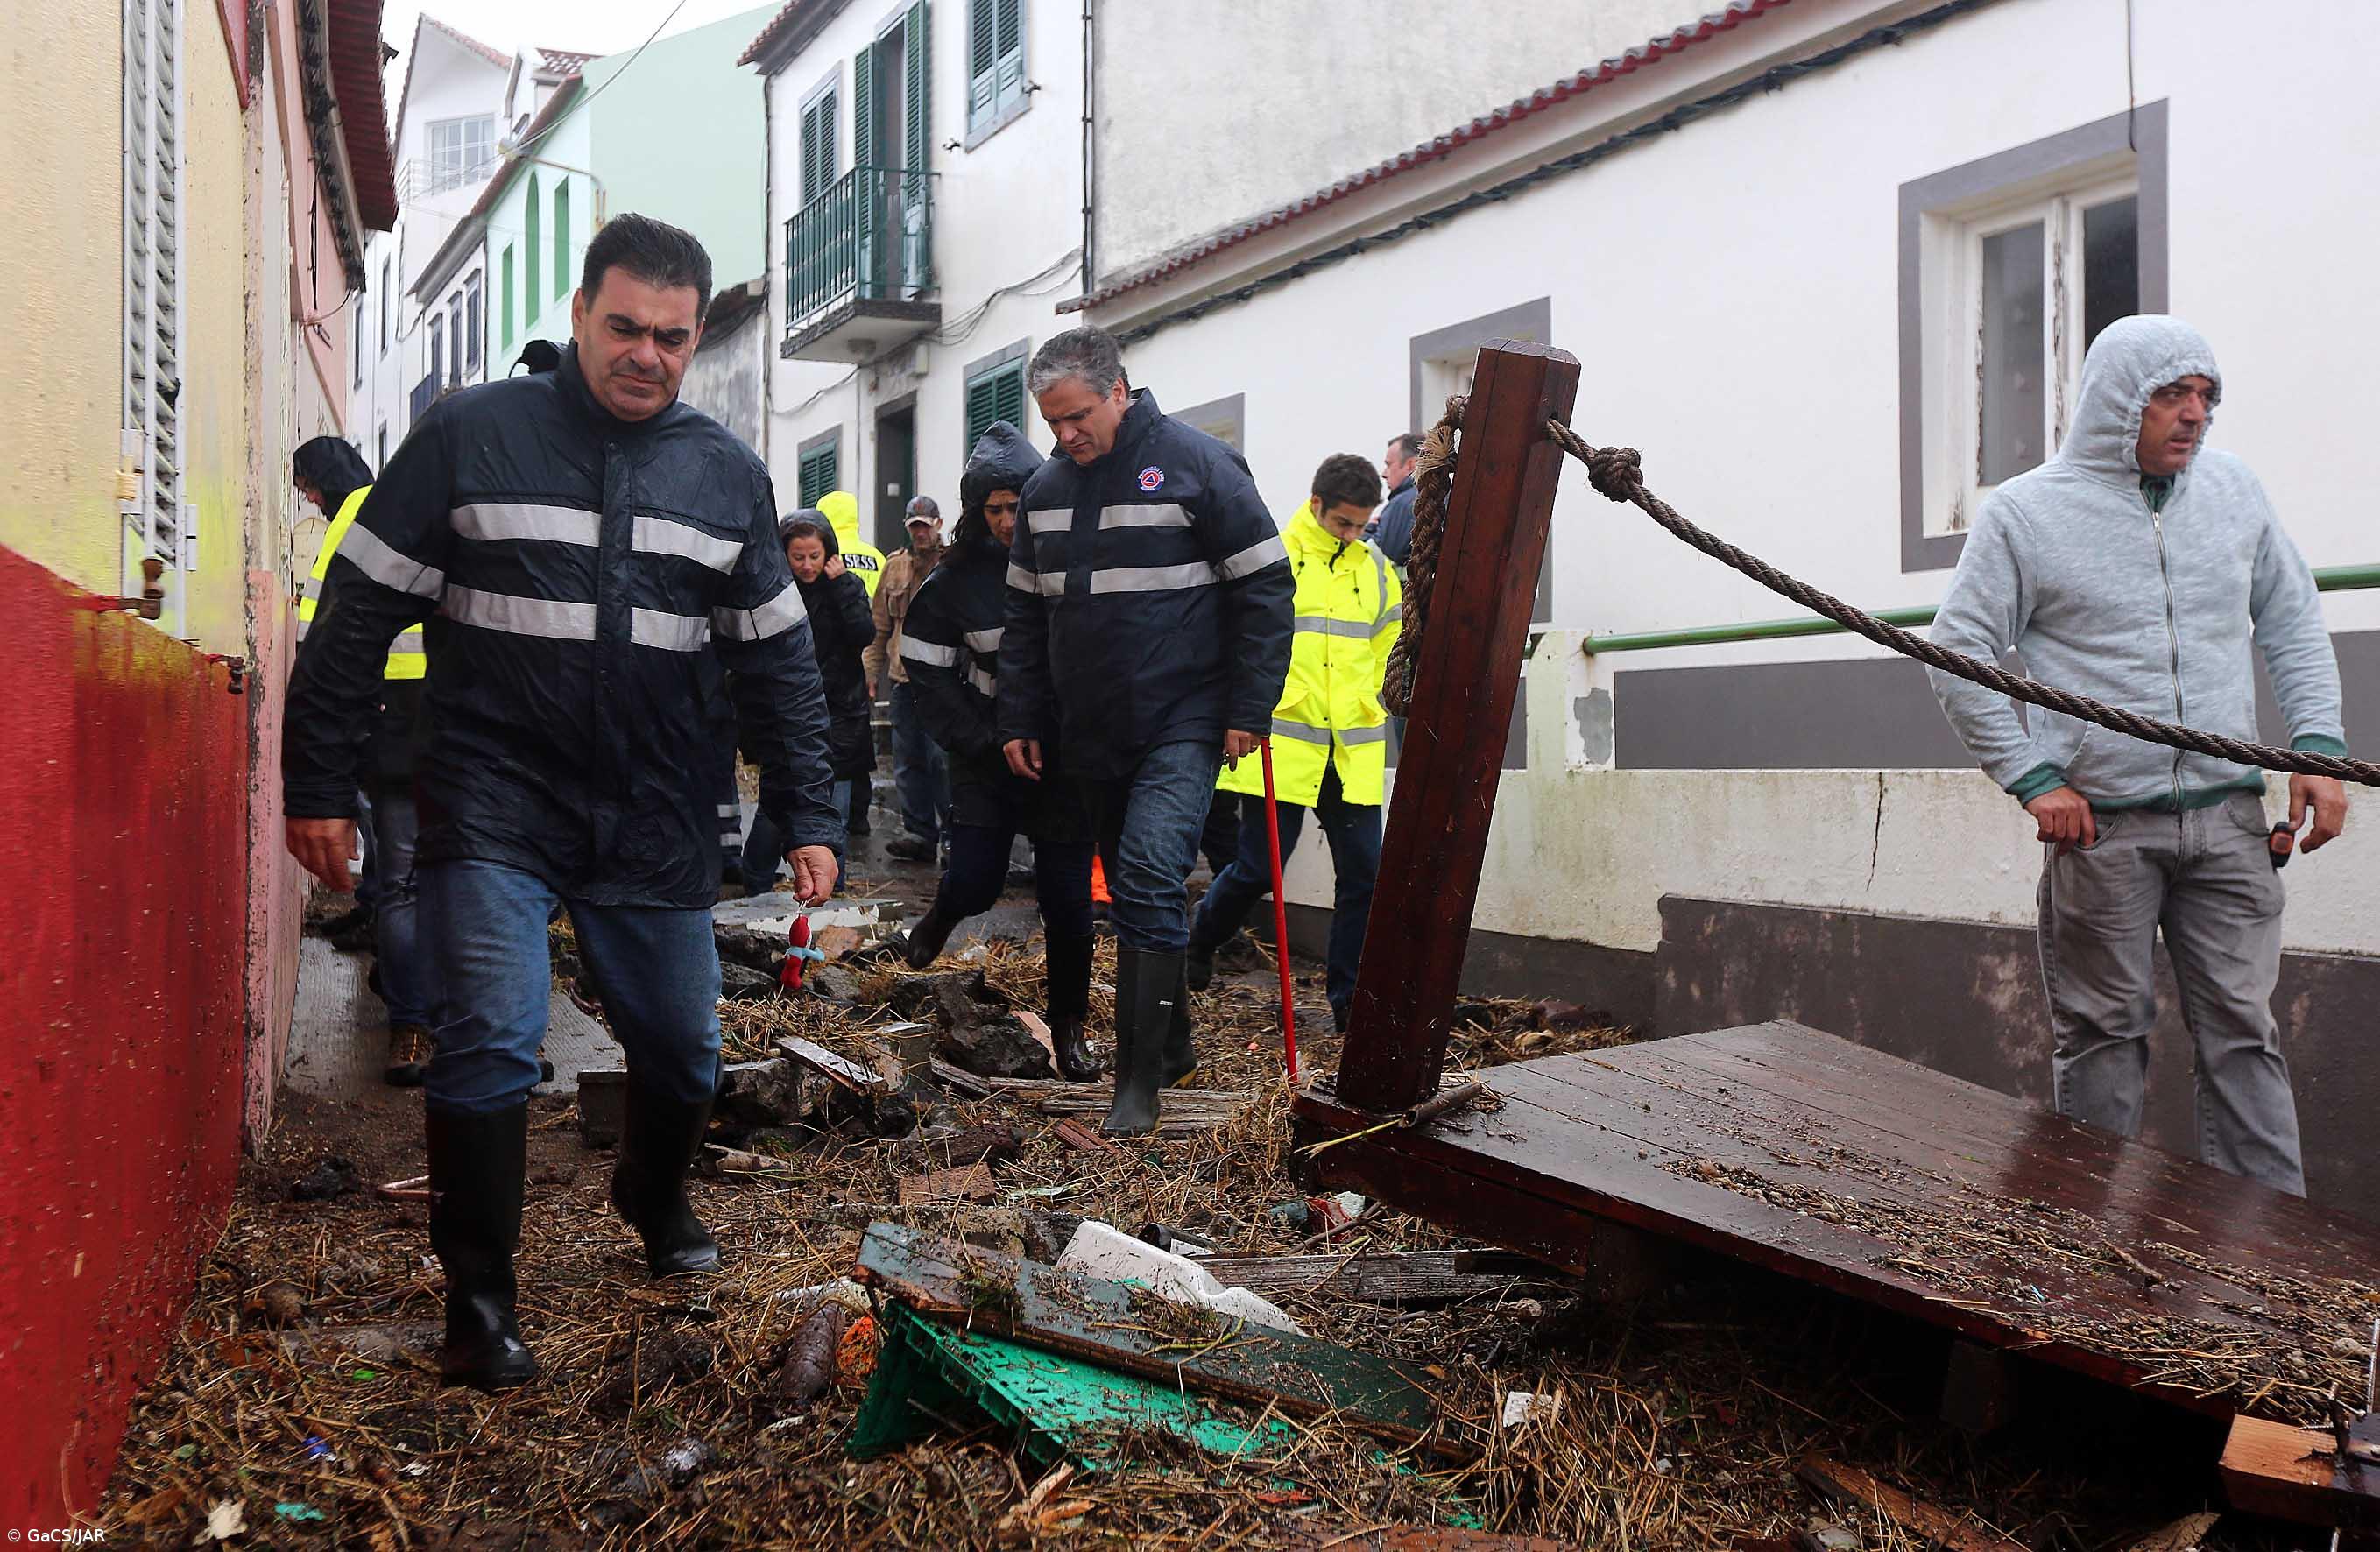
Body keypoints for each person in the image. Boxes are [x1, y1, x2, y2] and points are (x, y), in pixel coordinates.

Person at [283, 214, 842, 1391]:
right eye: (626, 327)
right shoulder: (466, 441)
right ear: (582, 313)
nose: (647, 353)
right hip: (494, 801)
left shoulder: (725, 476)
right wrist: (317, 781)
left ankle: (652, 1186)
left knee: (686, 1055)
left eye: (673, 339)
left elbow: (777, 664)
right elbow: (354, 618)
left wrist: (811, 813)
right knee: (487, 1040)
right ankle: (480, 1308)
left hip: (655, 810)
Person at [1928, 314, 2348, 1197]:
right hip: (2103, 831)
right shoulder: (2024, 511)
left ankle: (2271, 1259)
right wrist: (2032, 776)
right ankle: (2080, 1247)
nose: (2193, 414)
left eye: (2205, 396)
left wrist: (2317, 747)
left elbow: (2291, 618)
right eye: (2171, 394)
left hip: (2231, 819)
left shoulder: (2233, 491)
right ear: (2116, 399)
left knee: (2242, 1031)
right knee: (2103, 1034)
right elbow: (1958, 652)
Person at [999, 327, 1294, 1135]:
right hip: (1087, 725)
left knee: (1150, 871)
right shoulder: (1044, 491)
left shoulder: (1199, 465)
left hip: (1185, 715)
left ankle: (1137, 1085)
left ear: (1119, 390)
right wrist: (1020, 714)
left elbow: (1266, 588)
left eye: (1078, 416)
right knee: (1133, 889)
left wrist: (1247, 705)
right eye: (1051, 423)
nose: (1066, 435)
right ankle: (1171, 1045)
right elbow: (1023, 616)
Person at [898, 424, 1100, 1079]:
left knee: (1069, 900)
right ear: (976, 513)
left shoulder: (1076, 557)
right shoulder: (953, 585)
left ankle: (1069, 1027)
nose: (1011, 521)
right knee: (977, 881)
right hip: (988, 760)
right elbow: (925, 675)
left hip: (1065, 762)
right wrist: (985, 742)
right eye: (996, 509)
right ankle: (941, 915)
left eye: (1020, 505)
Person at [1190, 455, 1398, 1033]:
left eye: (1361, 525)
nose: (1352, 535)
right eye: (1342, 523)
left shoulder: (1376, 569)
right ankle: (1200, 938)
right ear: (1316, 506)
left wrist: (1380, 698)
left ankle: (1348, 1004)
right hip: (1280, 743)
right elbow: (1242, 642)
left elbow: (1390, 646)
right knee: (1258, 870)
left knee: (1364, 876)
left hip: (1350, 750)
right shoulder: (1274, 558)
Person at [294, 436, 442, 1083]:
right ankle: (432, 1025)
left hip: (409, 734)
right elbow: (328, 643)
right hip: (426, 733)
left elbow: (318, 638)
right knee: (437, 884)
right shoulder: (395, 508)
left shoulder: (367, 513)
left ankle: (430, 1025)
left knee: (415, 884)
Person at [868, 495, 954, 863]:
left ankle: (953, 835)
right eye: (914, 526)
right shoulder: (895, 568)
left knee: (942, 761)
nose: (921, 532)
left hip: (945, 682)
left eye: (926, 525)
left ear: (938, 523)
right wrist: (870, 675)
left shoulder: (954, 563)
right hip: (903, 680)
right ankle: (919, 833)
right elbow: (878, 628)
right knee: (907, 760)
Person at [786, 511, 878, 850]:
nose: (807, 566)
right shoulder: (780, 591)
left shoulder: (847, 585)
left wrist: (842, 587)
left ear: (829, 554)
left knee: (837, 801)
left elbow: (863, 633)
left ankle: (833, 880)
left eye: (814, 556)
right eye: (798, 558)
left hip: (841, 704)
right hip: (795, 702)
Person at [814, 487, 884, 836]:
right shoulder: (873, 555)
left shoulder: (822, 556)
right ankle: (858, 816)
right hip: (866, 654)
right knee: (857, 747)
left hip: (836, 657)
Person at [1366, 432, 1422, 568]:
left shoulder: (1402, 504)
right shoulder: (1443, 496)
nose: (1384, 474)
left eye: (1389, 465)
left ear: (1410, 465)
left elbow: (1374, 556)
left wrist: (1368, 530)